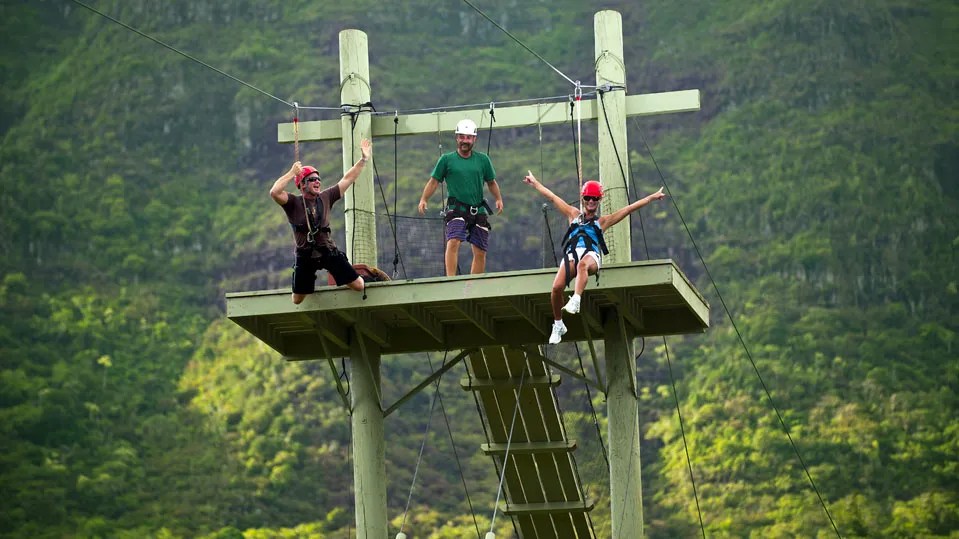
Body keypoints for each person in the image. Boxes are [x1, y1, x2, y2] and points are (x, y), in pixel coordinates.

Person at [523, 171, 666, 344]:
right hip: (572, 254)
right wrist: (535, 183)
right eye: (589, 198)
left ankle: (576, 298)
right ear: (583, 198)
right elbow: (553, 197)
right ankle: (558, 324)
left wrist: (652, 197)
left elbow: (628, 209)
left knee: (582, 265)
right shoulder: (573, 214)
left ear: (599, 201)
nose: (591, 201)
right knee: (556, 288)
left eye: (595, 199)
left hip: (591, 256)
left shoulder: (602, 222)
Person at [270, 139, 372, 304]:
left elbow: (347, 179)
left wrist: (364, 159)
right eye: (312, 179)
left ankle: (364, 277)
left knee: (359, 285)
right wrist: (291, 173)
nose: (317, 181)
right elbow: (274, 192)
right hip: (305, 255)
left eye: (318, 179)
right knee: (297, 300)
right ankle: (301, 281)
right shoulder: (293, 203)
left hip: (328, 251)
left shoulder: (326, 197)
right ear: (302, 184)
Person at [418, 118, 503, 276]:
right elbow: (434, 182)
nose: (465, 140)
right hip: (456, 208)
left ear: (474, 139)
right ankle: (451, 280)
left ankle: (474, 285)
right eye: (462, 137)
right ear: (457, 138)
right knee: (454, 240)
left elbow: (491, 182)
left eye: (469, 137)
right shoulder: (447, 160)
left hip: (478, 209)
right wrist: (424, 199)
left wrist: (498, 199)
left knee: (480, 250)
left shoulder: (483, 160)